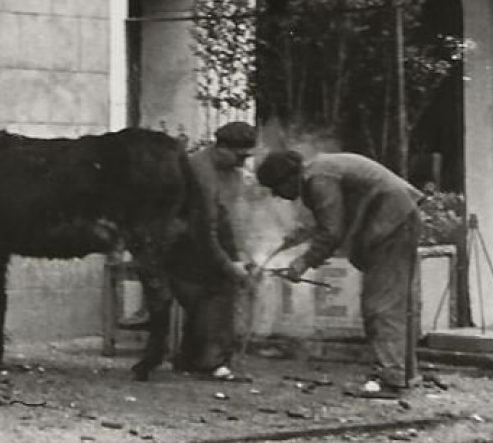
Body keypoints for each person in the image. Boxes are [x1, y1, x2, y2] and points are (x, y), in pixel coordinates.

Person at [255, 149, 423, 395]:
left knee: (381, 306)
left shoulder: (318, 179)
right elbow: (332, 218)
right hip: (398, 218)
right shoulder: (320, 170)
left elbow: (332, 231)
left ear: (288, 179)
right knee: (397, 303)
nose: (277, 195)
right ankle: (405, 374)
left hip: (391, 224)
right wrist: (297, 238)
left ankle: (392, 378)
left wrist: (303, 262)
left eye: (276, 188)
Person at [173, 122, 258, 378]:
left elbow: (234, 218)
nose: (243, 163)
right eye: (239, 156)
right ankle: (210, 360)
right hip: (183, 243)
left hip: (209, 238)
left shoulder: (232, 172)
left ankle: (192, 358)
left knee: (219, 286)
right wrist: (229, 265)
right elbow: (204, 231)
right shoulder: (201, 173)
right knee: (217, 289)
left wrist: (243, 254)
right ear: (221, 148)